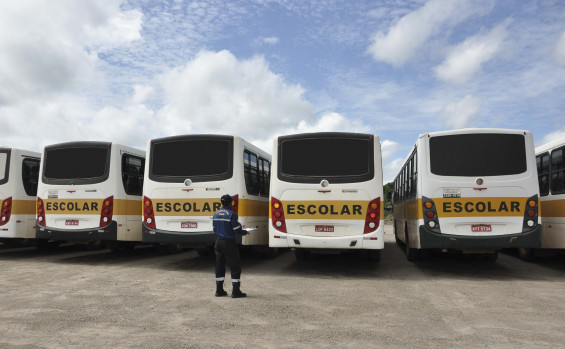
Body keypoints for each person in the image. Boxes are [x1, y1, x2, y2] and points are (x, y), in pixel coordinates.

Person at [212, 194, 249, 298]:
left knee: (219, 266)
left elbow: (214, 229)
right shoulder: (232, 214)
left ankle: (219, 290)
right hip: (228, 243)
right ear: (230, 202)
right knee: (235, 266)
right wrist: (245, 232)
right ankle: (235, 291)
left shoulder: (216, 213)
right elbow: (237, 229)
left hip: (218, 242)